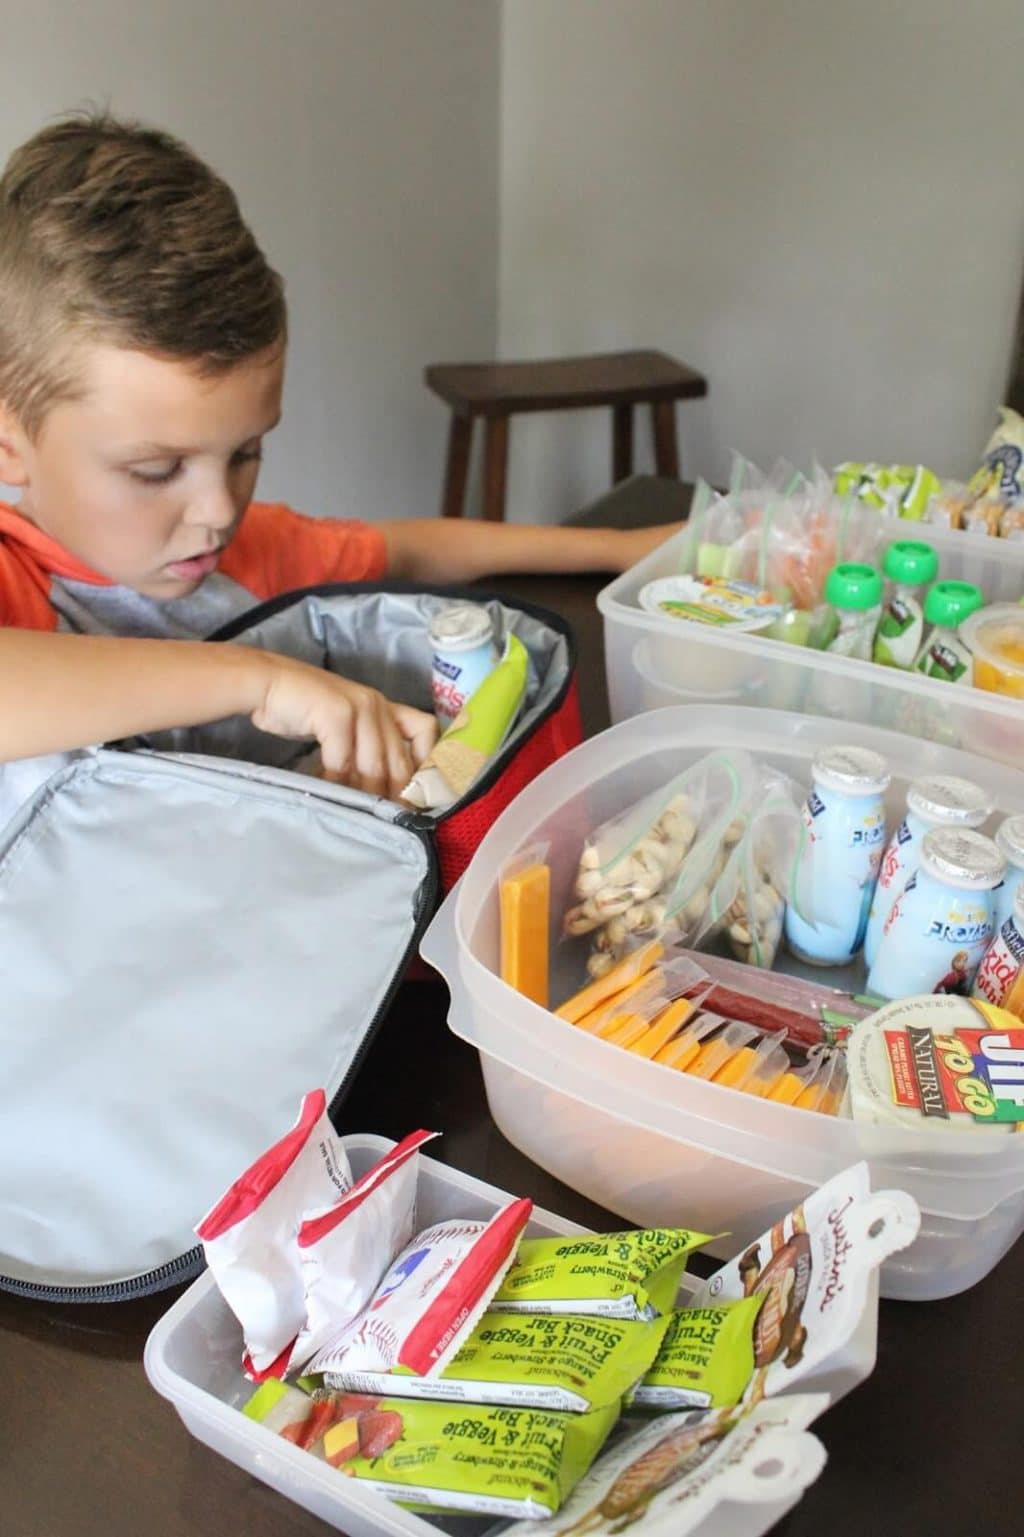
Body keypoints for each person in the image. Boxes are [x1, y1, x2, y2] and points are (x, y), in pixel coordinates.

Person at [0, 112, 681, 796]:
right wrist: (261, 682)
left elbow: (409, 550)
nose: (217, 511)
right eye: (157, 470)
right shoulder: (15, 578)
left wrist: (621, 551)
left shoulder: (246, 555)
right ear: (9, 447)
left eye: (246, 452)